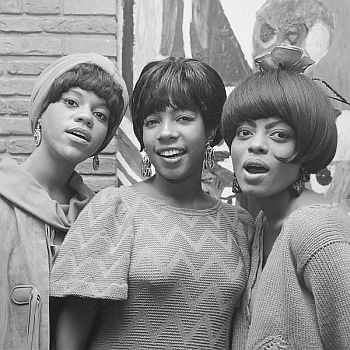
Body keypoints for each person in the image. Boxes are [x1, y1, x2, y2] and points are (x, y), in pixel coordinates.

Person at [49, 56, 255, 349]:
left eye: (184, 118)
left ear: (210, 129)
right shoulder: (115, 208)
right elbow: (70, 336)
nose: (166, 132)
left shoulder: (240, 225)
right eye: (152, 121)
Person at [222, 47, 350, 349]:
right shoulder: (262, 224)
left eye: (278, 135)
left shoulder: (317, 230)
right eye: (243, 132)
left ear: (307, 150)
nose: (255, 145)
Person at [0, 52, 128, 350]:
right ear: (41, 112)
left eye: (101, 115)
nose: (85, 117)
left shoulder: (100, 215)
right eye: (71, 102)